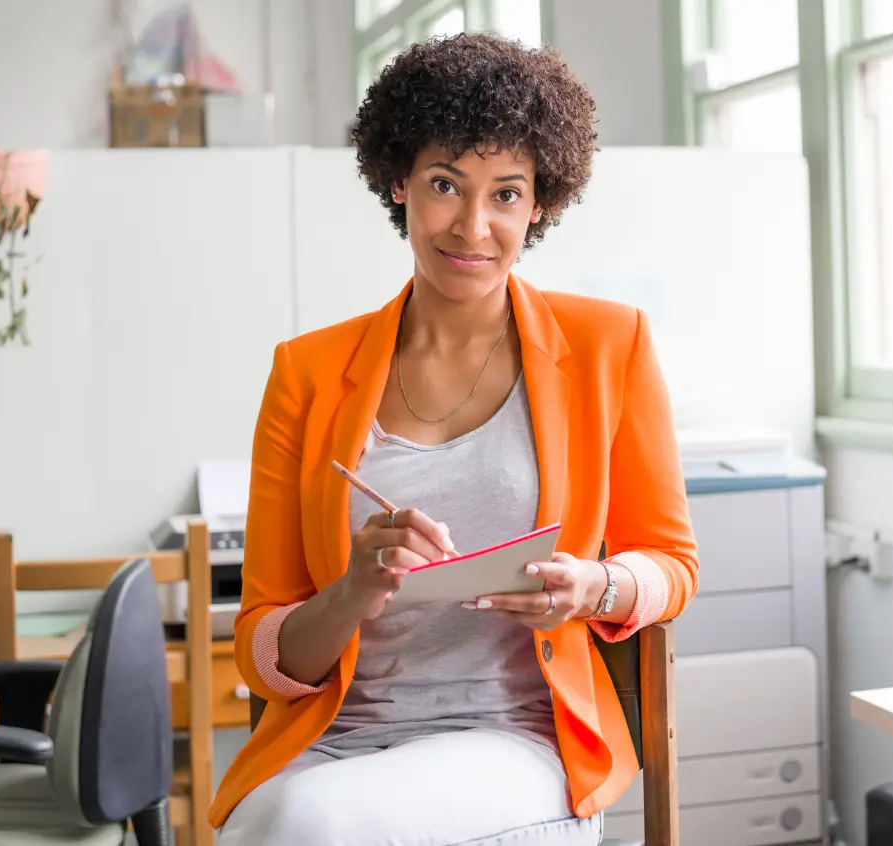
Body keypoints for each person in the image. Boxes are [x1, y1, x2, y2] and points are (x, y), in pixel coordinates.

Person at [211, 32, 699, 845]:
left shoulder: (609, 345)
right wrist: (351, 592)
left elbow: (671, 568)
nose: (472, 226)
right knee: (267, 820)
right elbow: (264, 651)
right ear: (398, 181)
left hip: (515, 736)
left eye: (505, 194)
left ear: (540, 201)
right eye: (445, 185)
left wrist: (594, 585)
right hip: (331, 739)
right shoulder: (305, 371)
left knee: (301, 825)